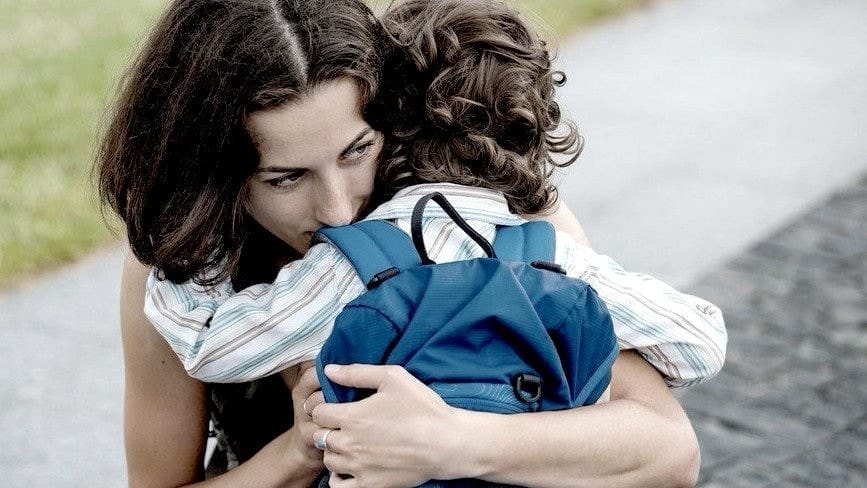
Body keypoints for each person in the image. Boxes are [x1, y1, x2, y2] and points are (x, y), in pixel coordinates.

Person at [97, 0, 723, 486]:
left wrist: (448, 441)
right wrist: (297, 452)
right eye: (285, 179)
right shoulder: (184, 270)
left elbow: (669, 451)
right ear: (212, 179)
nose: (338, 209)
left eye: (356, 152)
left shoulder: (493, 210)